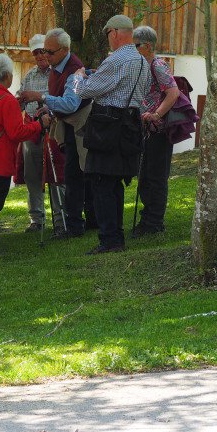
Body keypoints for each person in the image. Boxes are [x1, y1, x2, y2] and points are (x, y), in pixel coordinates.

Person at [69, 14, 151, 254]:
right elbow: (143, 90)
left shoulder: (115, 61)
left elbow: (86, 91)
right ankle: (116, 236)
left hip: (107, 126)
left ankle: (110, 239)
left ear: (114, 32)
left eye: (107, 34)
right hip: (130, 126)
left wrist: (78, 77)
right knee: (115, 183)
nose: (108, 38)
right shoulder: (141, 61)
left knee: (102, 182)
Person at [17, 27, 94, 238]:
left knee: (76, 174)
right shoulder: (55, 67)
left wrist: (42, 98)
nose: (45, 56)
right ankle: (74, 223)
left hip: (79, 125)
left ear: (64, 50)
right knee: (71, 173)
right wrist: (48, 109)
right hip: (63, 125)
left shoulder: (74, 70)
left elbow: (70, 103)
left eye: (49, 52)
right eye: (42, 51)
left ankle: (76, 224)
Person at [0, 54, 45, 257]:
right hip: (0, 159)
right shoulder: (7, 100)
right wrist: (39, 125)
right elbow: (17, 133)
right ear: (7, 75)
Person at [132, 25, 181, 237]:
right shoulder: (142, 66)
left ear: (148, 46)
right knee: (144, 175)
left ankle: (154, 222)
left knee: (156, 176)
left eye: (136, 45)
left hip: (158, 130)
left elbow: (173, 92)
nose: (133, 49)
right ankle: (147, 219)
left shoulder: (158, 65)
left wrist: (156, 114)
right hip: (145, 129)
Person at [17, 34, 53, 232]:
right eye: (35, 53)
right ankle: (37, 218)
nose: (39, 56)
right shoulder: (30, 75)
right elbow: (20, 99)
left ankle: (60, 216)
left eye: (42, 51)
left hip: (53, 127)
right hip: (32, 129)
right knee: (32, 175)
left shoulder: (56, 73)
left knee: (56, 173)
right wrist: (19, 100)